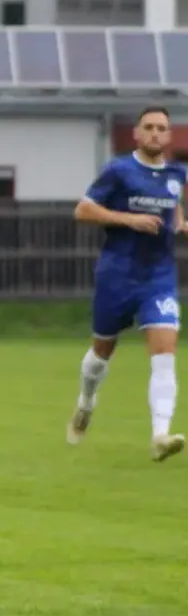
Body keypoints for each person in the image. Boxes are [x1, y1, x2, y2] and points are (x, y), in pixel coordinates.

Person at [68, 106, 186, 462]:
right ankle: (86, 401)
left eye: (161, 128)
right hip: (117, 275)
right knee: (101, 354)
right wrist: (128, 220)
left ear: (168, 136)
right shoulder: (119, 170)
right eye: (148, 127)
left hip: (159, 276)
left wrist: (179, 222)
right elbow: (83, 210)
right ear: (136, 133)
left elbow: (175, 207)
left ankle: (160, 435)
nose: (155, 133)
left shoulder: (177, 174)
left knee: (165, 354)